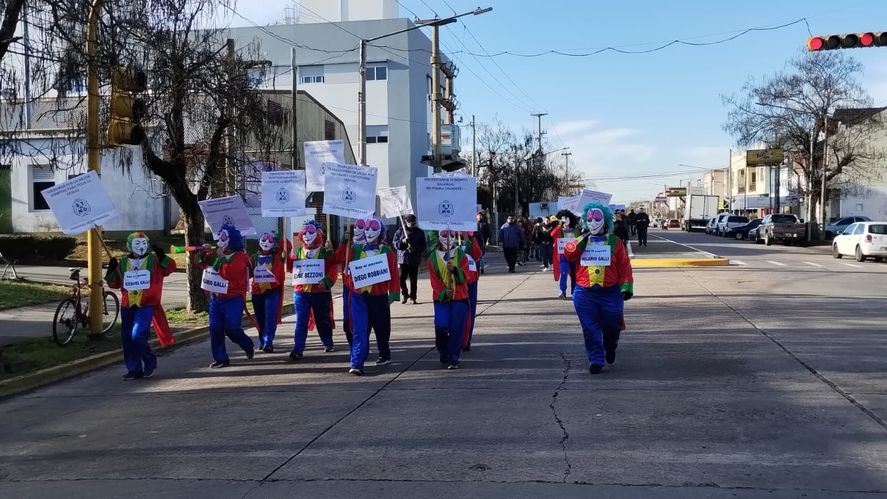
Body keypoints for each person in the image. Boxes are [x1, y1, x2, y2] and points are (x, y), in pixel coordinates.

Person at [563, 203, 634, 374]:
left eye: (597, 218)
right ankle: (595, 359)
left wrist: (626, 286)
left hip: (610, 292)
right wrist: (582, 240)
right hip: (584, 292)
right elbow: (568, 253)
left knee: (611, 326)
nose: (593, 222)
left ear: (605, 220)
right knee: (589, 327)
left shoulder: (615, 242)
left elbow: (624, 266)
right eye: (589, 219)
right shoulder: (581, 240)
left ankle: (610, 346)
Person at [105, 232, 176, 380]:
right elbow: (115, 283)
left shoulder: (154, 260)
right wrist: (111, 270)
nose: (141, 246)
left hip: (147, 303)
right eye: (137, 243)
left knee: (137, 336)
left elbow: (168, 269)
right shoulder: (123, 262)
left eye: (144, 243)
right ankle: (134, 369)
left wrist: (163, 256)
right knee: (127, 338)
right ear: (130, 246)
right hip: (128, 304)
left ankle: (150, 361)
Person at [193, 224, 255, 368]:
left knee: (232, 328)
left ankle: (247, 344)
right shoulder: (216, 253)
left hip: (233, 298)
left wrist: (220, 258)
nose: (220, 238)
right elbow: (200, 264)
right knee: (215, 329)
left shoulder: (240, 256)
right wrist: (202, 253)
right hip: (216, 298)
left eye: (223, 236)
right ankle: (221, 358)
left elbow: (228, 274)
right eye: (220, 235)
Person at [345, 217, 400, 375]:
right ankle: (356, 362)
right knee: (360, 330)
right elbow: (341, 258)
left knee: (382, 328)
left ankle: (384, 352)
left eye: (373, 229)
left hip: (379, 295)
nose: (369, 232)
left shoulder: (386, 252)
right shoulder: (355, 249)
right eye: (367, 229)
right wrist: (344, 242)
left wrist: (393, 294)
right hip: (359, 297)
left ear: (380, 233)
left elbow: (394, 273)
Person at [289, 221, 339, 361]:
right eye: (304, 232)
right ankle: (298, 349)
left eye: (310, 232)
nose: (307, 235)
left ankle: (327, 341)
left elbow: (333, 269)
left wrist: (327, 281)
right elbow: (291, 267)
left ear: (317, 234)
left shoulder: (324, 251)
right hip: (301, 292)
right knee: (301, 321)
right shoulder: (298, 251)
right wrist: (284, 258)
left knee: (322, 319)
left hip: (320, 292)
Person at [428, 229, 470, 369]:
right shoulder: (433, 257)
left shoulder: (461, 254)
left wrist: (455, 270)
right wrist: (444, 291)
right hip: (441, 298)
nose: (448, 238)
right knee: (441, 325)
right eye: (445, 235)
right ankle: (443, 350)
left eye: (451, 235)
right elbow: (434, 281)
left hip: (460, 297)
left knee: (457, 328)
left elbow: (466, 276)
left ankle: (454, 358)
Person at [248, 231, 288, 353]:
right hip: (257, 292)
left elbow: (287, 247)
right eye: (264, 240)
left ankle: (268, 341)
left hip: (272, 291)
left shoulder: (277, 257)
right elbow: (249, 273)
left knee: (270, 317)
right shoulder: (253, 257)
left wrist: (283, 251)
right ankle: (262, 339)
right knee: (260, 318)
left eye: (270, 241)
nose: (266, 243)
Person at [393, 214, 427, 304]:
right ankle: (405, 294)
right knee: (401, 278)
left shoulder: (420, 232)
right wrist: (402, 242)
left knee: (413, 280)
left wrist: (416, 249)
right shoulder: (400, 232)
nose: (412, 225)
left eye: (414, 223)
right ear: (406, 222)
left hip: (414, 259)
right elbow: (395, 244)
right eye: (410, 223)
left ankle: (413, 297)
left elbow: (423, 246)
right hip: (403, 259)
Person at [459, 231, 483, 352]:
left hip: (470, 280)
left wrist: (467, 239)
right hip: (455, 281)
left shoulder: (472, 238)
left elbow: (478, 254)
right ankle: (456, 339)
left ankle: (467, 339)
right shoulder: (446, 238)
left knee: (470, 311)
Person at [551, 209, 579, 299]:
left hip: (574, 256)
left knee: (574, 275)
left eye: (566, 218)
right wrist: (560, 225)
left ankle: (574, 292)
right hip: (563, 256)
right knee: (563, 273)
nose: (565, 220)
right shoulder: (560, 230)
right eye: (562, 218)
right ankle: (562, 291)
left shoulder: (575, 231)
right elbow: (552, 234)